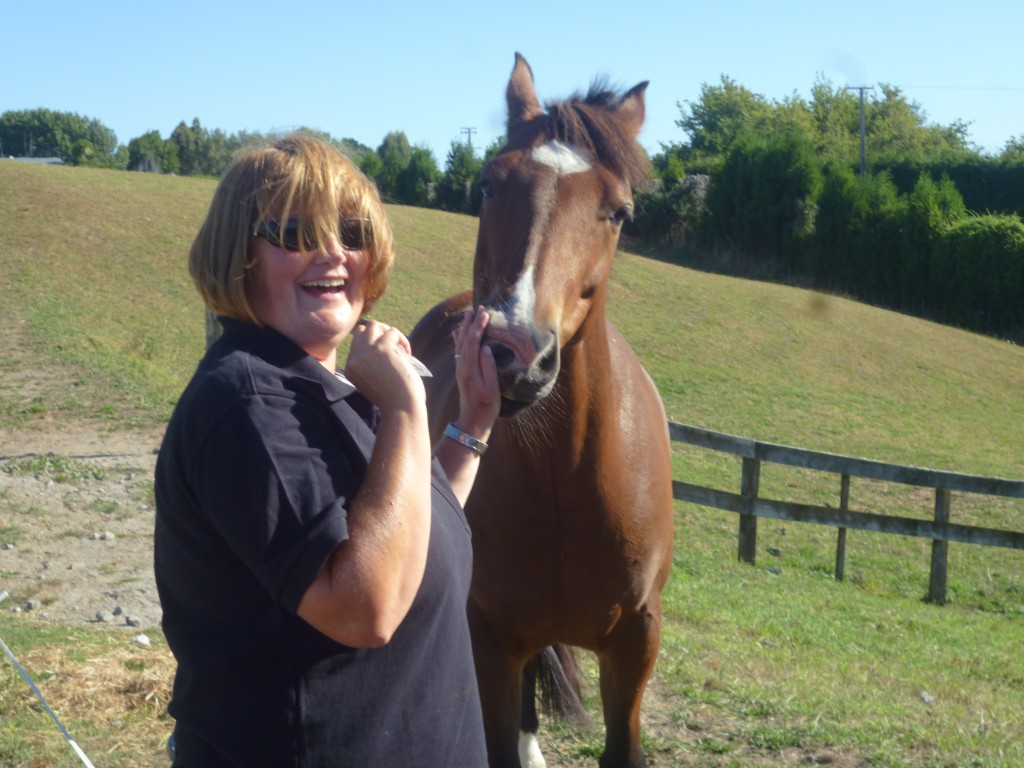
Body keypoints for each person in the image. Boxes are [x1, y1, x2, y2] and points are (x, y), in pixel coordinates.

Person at [154, 134, 500, 767]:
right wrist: (404, 406)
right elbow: (365, 606)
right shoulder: (248, 402)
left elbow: (407, 525)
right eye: (294, 232)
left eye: (352, 230)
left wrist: (472, 424)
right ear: (241, 255)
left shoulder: (326, 386)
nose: (334, 252)